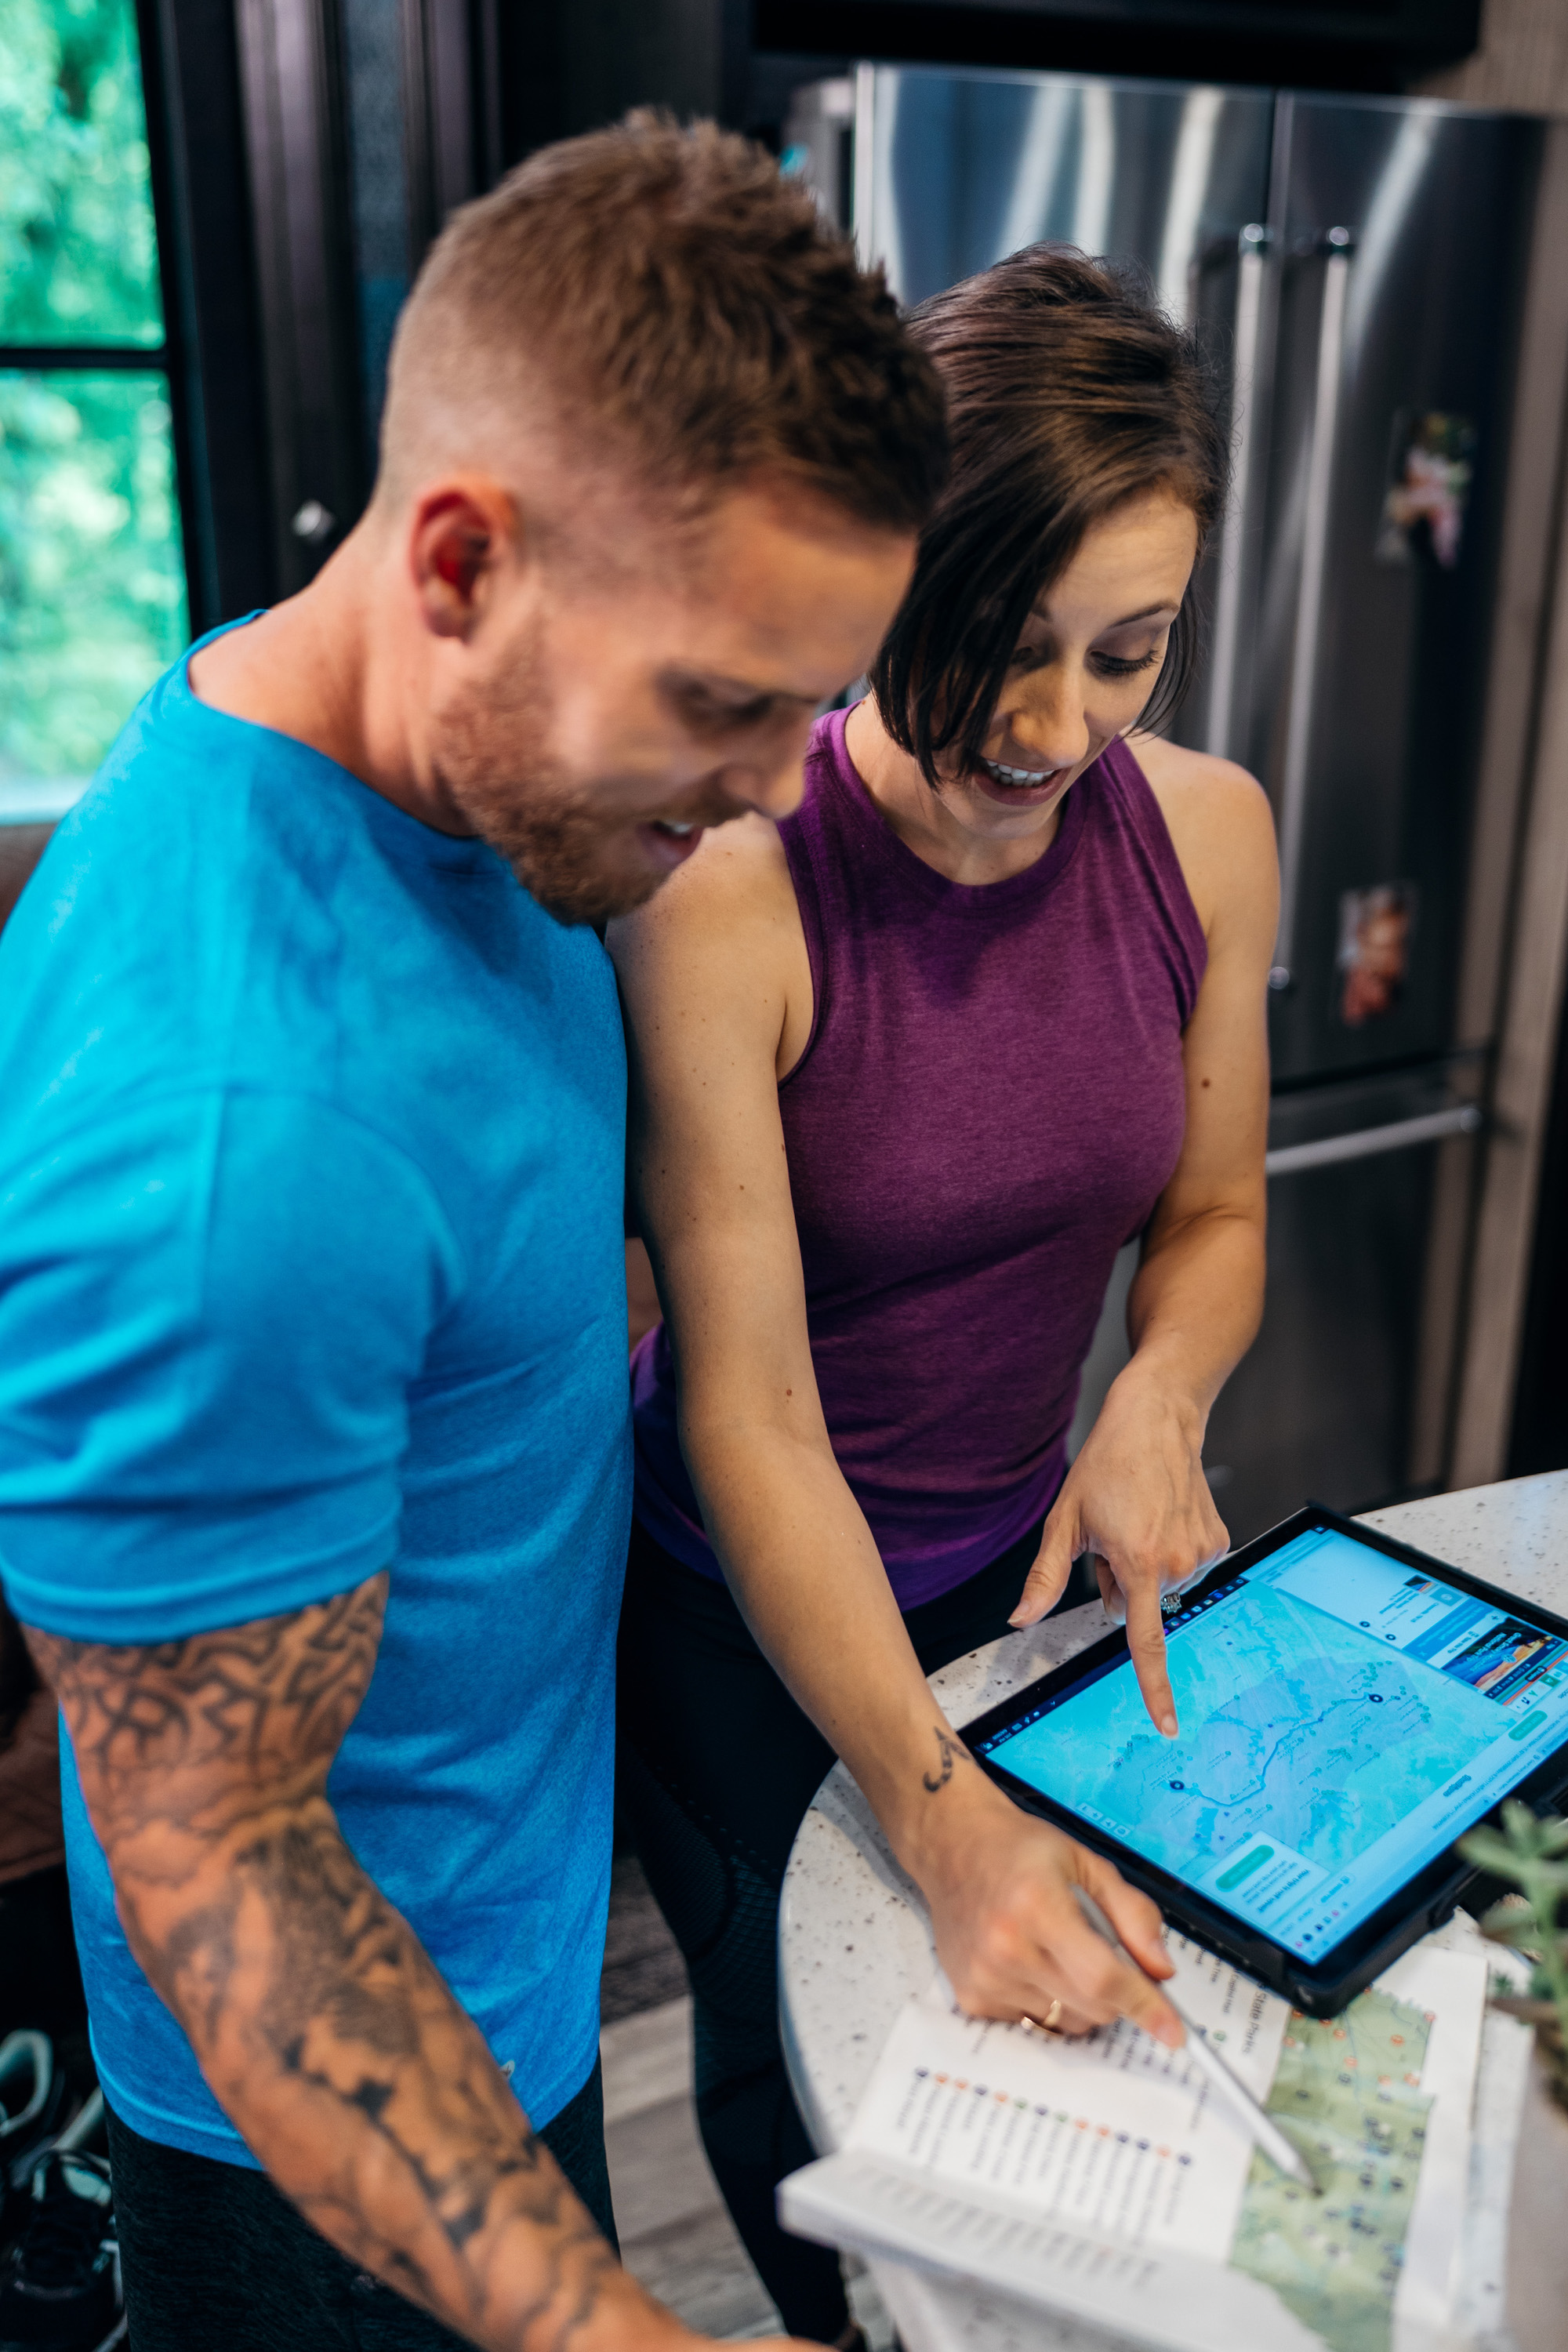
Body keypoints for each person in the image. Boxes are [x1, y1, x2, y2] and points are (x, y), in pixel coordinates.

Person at [0, 118, 946, 2352]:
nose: (769, 796)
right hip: (325, 2146)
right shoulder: (241, 1131)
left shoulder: (431, 760)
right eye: (722, 707)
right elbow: (228, 1879)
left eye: (806, 708)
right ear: (456, 558)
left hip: (506, 1961)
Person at [609, 246, 1279, 2345]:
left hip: (1028, 1590)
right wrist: (932, 1811)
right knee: (806, 2101)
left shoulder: (1211, 839)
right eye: (1000, 638)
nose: (1053, 725)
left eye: (1128, 655)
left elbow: (1219, 1214)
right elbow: (753, 1411)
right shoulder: (734, 885)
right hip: (740, 1614)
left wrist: (1160, 1391)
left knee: (1045, 2107)